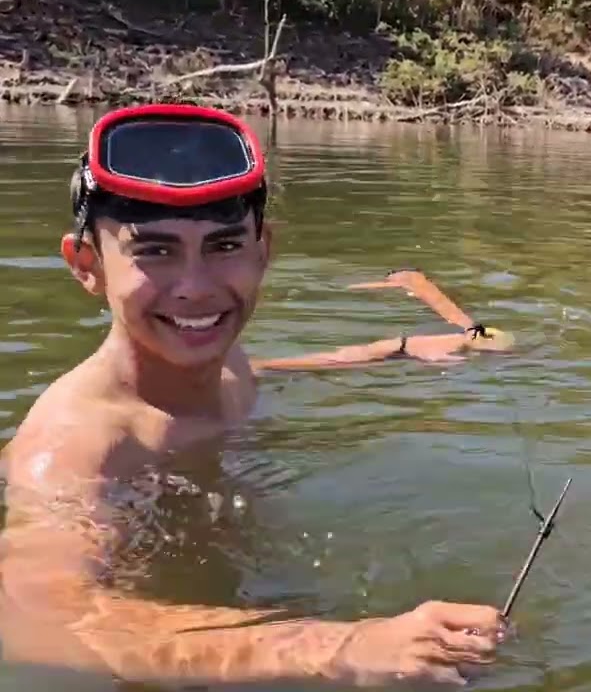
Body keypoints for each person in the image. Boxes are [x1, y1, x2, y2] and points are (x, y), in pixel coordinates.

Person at [0, 103, 514, 688]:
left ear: (262, 251)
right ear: (87, 265)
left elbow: (259, 368)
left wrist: (390, 349)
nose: (195, 288)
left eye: (223, 247)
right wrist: (344, 644)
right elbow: (37, 620)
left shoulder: (218, 358)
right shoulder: (78, 447)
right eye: (154, 251)